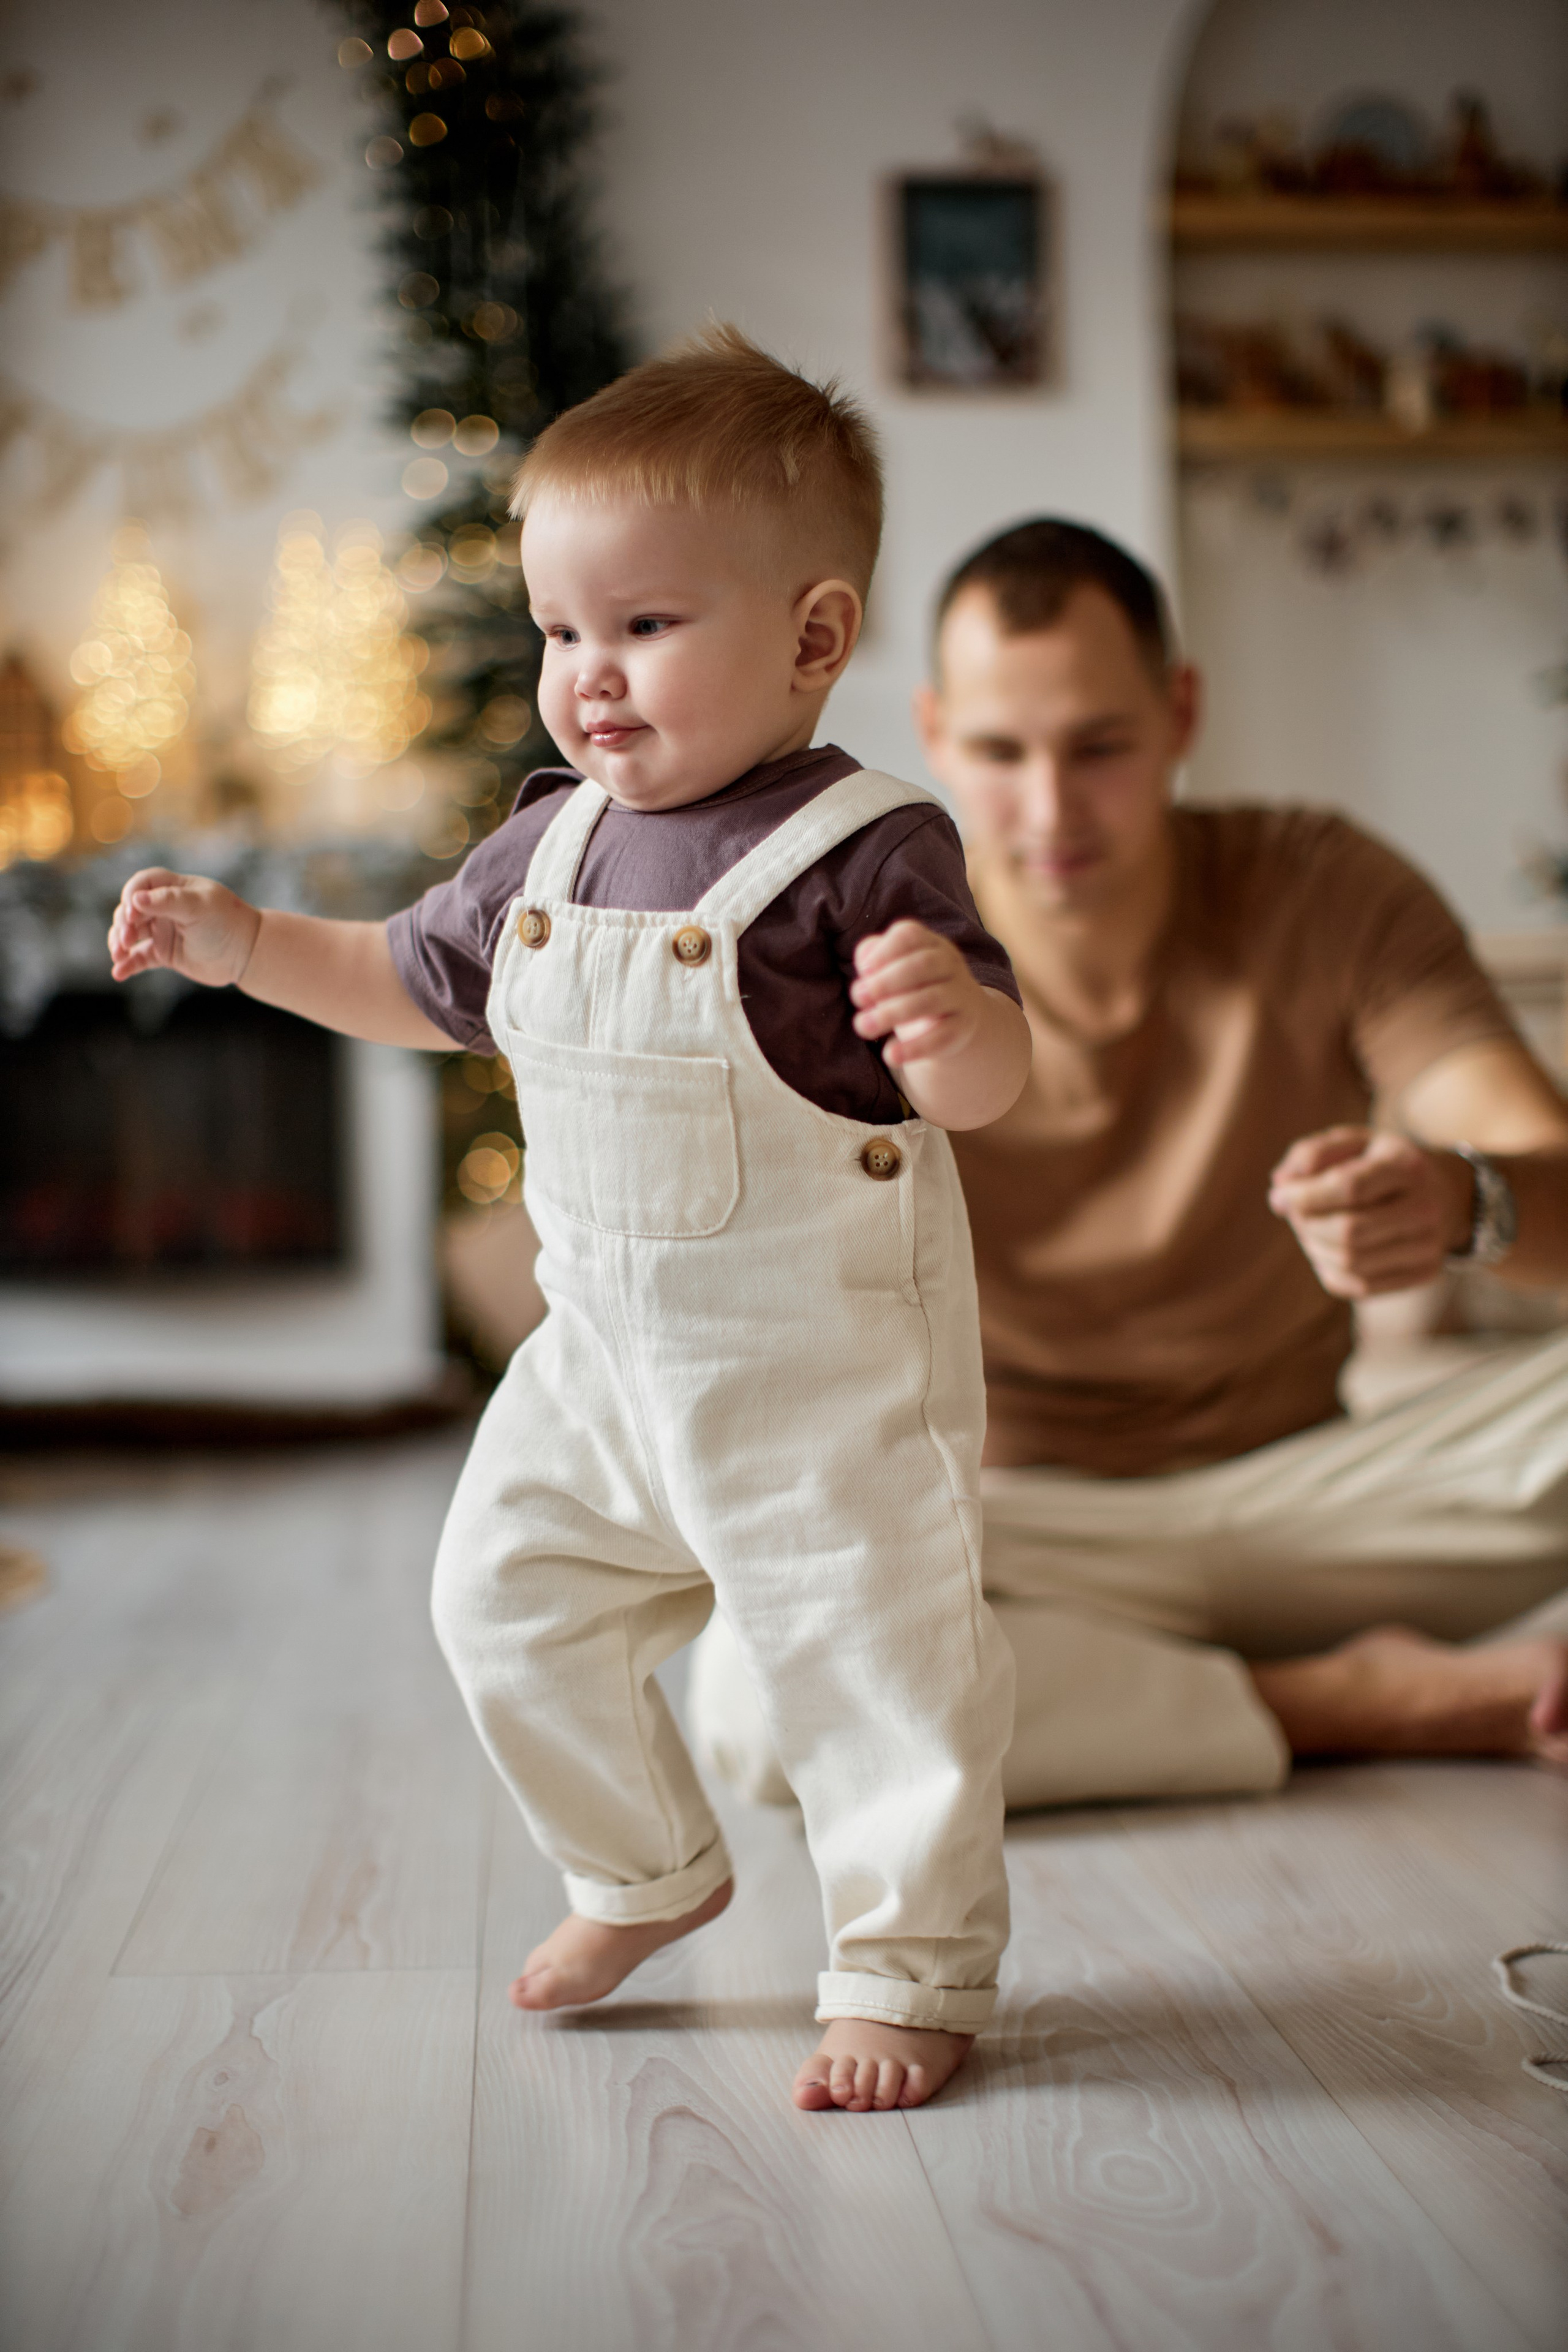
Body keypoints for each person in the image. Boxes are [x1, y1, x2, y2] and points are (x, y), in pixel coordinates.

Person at [107, 328, 1031, 2116]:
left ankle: (909, 1969)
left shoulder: (862, 850)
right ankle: (644, 1871)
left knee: (877, 1670)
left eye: (646, 628)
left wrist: (959, 1028)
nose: (589, 678)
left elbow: (984, 1094)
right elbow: (396, 977)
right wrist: (241, 947)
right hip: (600, 1363)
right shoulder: (544, 851)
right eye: (559, 631)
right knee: (498, 1602)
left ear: (815, 637)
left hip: (819, 1379)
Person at [689, 516, 1568, 1814]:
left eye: (1098, 747)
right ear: (933, 732)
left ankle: (1134, 1691)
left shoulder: (1324, 888)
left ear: (1178, 711)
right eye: (998, 753)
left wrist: (1453, 1198)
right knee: (753, 1704)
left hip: (1318, 1506)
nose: (1049, 811)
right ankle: (1348, 1701)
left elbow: (1532, 1160)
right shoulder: (847, 954)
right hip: (1013, 1526)